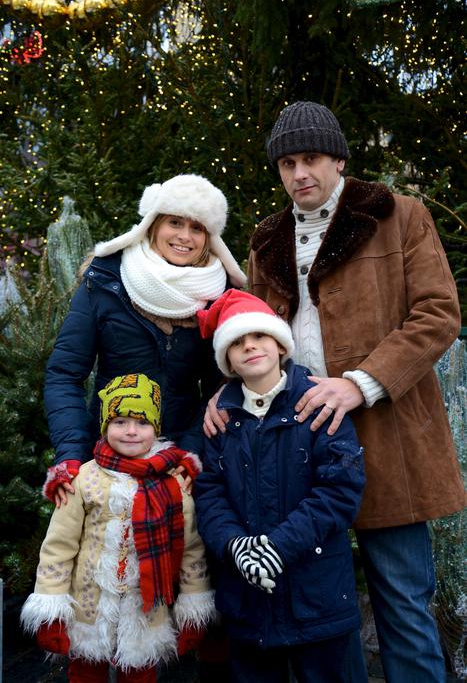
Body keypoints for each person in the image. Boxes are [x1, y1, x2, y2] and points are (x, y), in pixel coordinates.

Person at [204, 102, 466, 683]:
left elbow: (438, 314)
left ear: (339, 159)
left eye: (312, 159)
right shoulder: (268, 238)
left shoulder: (398, 215)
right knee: (321, 616)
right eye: (288, 163)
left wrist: (358, 384)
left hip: (388, 436)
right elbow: (252, 332)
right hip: (294, 444)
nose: (300, 173)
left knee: (402, 604)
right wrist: (227, 391)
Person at [42, 173, 246, 507]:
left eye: (197, 228)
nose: (184, 236)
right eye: (175, 222)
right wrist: (72, 455)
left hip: (180, 464)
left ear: (209, 237)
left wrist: (192, 452)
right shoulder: (106, 281)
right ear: (153, 224)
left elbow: (222, 387)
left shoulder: (219, 297)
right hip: (107, 458)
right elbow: (64, 374)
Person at [194, 288, 366, 683]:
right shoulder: (221, 419)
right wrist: (234, 546)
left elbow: (339, 489)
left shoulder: (318, 403)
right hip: (248, 603)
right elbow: (209, 493)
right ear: (227, 360)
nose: (250, 346)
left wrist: (278, 546)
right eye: (237, 342)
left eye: (259, 336)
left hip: (317, 597)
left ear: (280, 344)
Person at [21, 373, 216, 681]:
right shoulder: (85, 479)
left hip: (145, 612)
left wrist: (193, 605)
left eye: (142, 423)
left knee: (139, 674)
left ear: (156, 428)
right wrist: (51, 608)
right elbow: (58, 546)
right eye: (120, 422)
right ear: (105, 427)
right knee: (85, 673)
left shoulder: (173, 483)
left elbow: (191, 550)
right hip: (89, 608)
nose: (131, 431)